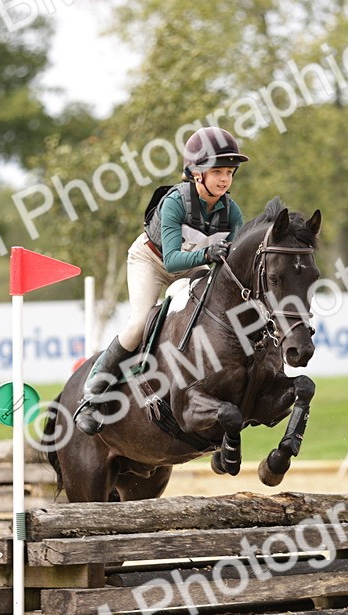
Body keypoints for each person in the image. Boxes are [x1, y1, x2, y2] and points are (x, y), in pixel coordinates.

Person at [75, 126, 249, 435]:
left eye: (230, 173)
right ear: (197, 174)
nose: (225, 179)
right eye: (218, 171)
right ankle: (93, 396)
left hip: (193, 268)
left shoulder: (232, 213)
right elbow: (172, 261)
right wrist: (209, 254)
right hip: (152, 262)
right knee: (140, 322)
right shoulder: (175, 203)